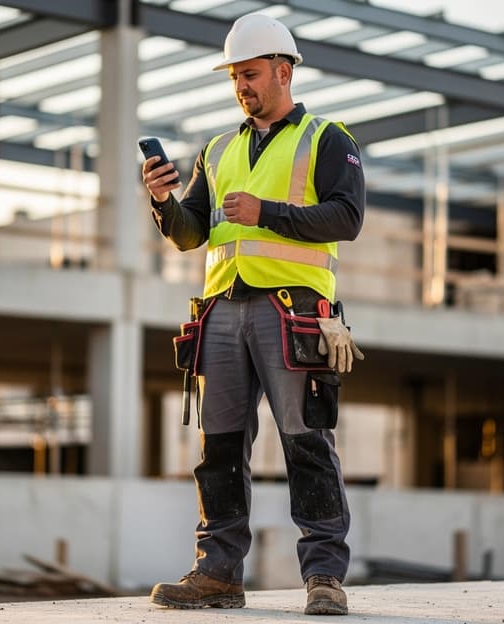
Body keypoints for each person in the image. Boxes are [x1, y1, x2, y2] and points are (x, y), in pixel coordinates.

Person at [140, 11, 365, 617]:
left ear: (283, 72)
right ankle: (217, 573)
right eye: (235, 75)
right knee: (218, 448)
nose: (241, 85)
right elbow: (190, 234)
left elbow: (347, 217)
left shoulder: (326, 138)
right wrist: (163, 200)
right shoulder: (217, 151)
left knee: (306, 443)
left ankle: (324, 576)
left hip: (293, 313)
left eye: (251, 73)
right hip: (222, 311)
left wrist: (266, 212)